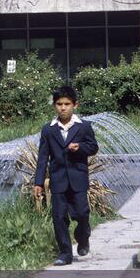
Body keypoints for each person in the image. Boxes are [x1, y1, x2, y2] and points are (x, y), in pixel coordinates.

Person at [33, 85, 99, 266]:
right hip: (58, 179)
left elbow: (93, 147)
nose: (63, 108)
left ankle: (83, 237)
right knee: (59, 216)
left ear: (75, 105)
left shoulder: (84, 127)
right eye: (59, 104)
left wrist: (80, 148)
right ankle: (65, 253)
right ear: (54, 106)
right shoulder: (48, 130)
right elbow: (42, 157)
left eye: (67, 104)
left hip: (78, 178)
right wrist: (38, 182)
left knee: (82, 213)